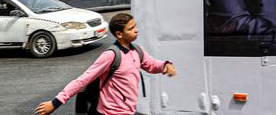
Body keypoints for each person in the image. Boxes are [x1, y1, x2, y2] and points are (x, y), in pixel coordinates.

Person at [34, 13, 177, 115]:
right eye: (131, 28)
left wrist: (165, 66)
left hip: (128, 111)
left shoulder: (137, 51)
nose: (136, 30)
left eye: (135, 26)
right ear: (119, 34)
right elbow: (83, 80)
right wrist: (55, 103)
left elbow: (151, 64)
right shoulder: (111, 55)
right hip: (110, 112)